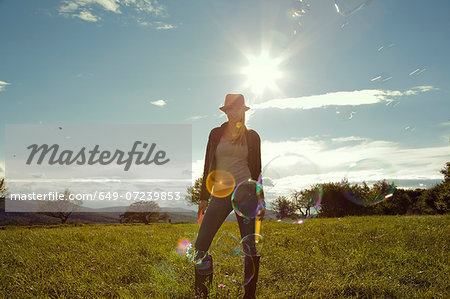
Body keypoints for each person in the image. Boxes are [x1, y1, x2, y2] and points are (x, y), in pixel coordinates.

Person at [192, 94, 266, 299]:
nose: (232, 113)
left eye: (236, 109)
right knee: (200, 245)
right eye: (228, 110)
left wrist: (261, 198)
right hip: (220, 193)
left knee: (250, 247)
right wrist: (204, 197)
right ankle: (202, 293)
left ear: (243, 111)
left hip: (246, 194)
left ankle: (249, 295)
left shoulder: (252, 136)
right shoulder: (216, 134)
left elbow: (257, 170)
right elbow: (208, 164)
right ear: (225, 112)